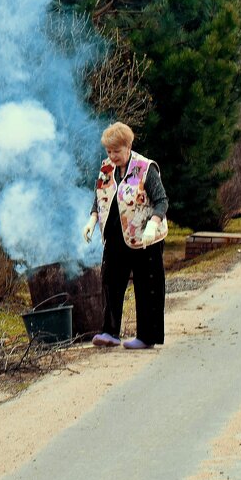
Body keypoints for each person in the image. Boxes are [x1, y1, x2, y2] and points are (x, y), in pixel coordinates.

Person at [82, 122, 168, 350]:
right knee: (110, 282)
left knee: (147, 285)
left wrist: (153, 224)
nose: (112, 156)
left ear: (128, 146)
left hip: (145, 238)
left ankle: (147, 336)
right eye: (109, 151)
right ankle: (109, 332)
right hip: (115, 236)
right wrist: (92, 219)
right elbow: (100, 195)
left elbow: (161, 200)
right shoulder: (106, 168)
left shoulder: (145, 168)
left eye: (116, 151)